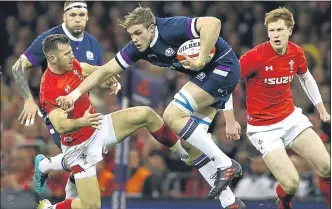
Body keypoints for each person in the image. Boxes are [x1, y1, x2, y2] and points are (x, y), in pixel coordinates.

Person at [56, 5, 246, 209]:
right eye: (131, 34)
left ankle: (225, 164)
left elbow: (213, 23)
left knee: (172, 115)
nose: (135, 38)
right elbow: (104, 71)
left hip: (223, 67)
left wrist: (200, 59)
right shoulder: (137, 49)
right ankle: (230, 202)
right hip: (211, 79)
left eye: (138, 32)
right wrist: (74, 94)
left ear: (152, 28)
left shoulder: (170, 28)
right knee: (192, 145)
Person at [37, 34, 189, 209]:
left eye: (71, 52)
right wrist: (82, 121)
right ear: (52, 58)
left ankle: (183, 154)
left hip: (98, 126)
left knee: (146, 114)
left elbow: (84, 68)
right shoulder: (48, 89)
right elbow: (60, 126)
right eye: (66, 54)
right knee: (91, 206)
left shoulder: (70, 64)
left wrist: (103, 76)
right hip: (79, 147)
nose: (72, 56)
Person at [11, 0, 118, 198]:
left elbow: (95, 75)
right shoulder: (49, 40)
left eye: (81, 15)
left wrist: (110, 83)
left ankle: (65, 191)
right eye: (73, 15)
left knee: (86, 156)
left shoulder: (93, 43)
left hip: (84, 107)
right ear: (64, 16)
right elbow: (18, 66)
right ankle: (45, 168)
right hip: (57, 109)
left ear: (87, 17)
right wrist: (27, 99)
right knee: (78, 155)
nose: (77, 19)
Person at [237, 7, 330, 209]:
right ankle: (284, 202)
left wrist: (320, 107)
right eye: (271, 31)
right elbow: (226, 82)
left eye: (280, 30)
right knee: (291, 184)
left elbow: (305, 76)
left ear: (290, 30)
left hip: (290, 119)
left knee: (327, 167)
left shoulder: (296, 52)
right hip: (263, 128)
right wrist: (228, 119)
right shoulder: (255, 56)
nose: (275, 35)